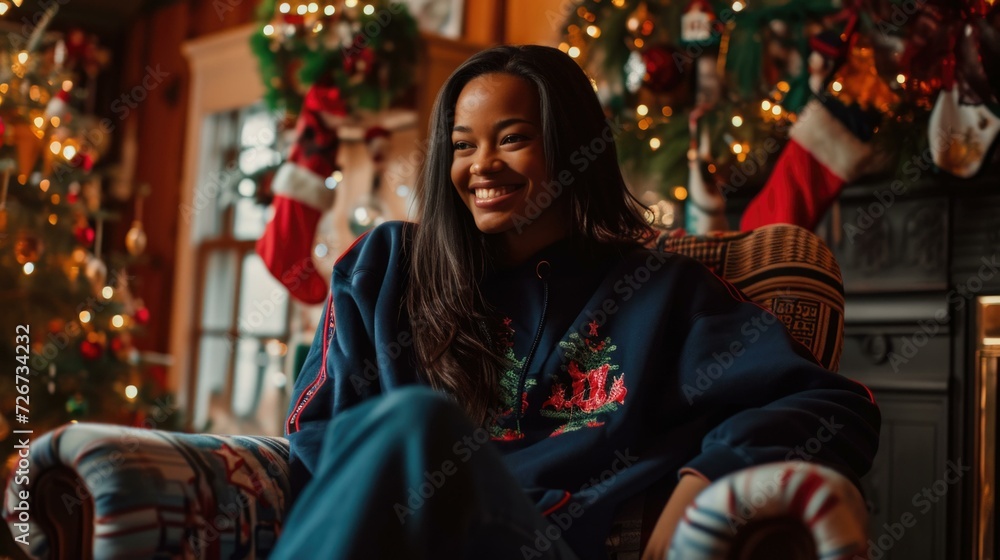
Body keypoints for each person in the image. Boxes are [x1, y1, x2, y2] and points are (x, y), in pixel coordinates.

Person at [270, 45, 880, 560]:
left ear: (571, 148)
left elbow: (829, 403)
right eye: (461, 145)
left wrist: (703, 483)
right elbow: (318, 429)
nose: (482, 165)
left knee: (417, 420)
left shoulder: (660, 293)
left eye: (512, 139)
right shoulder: (385, 268)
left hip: (541, 542)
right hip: (396, 537)